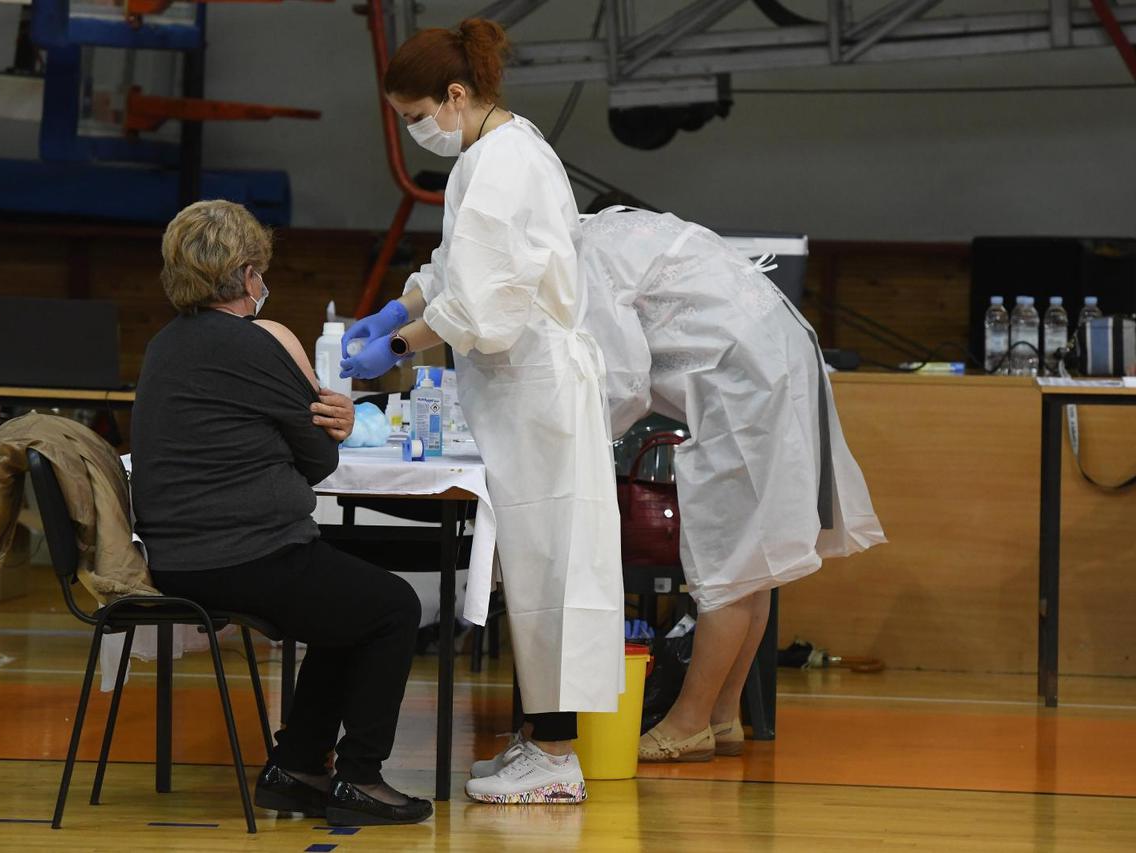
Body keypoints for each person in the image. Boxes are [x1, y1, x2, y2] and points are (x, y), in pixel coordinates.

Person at [340, 19, 624, 804]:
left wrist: (397, 347)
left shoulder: (503, 163)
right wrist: (397, 308)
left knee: (549, 573)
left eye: (413, 115)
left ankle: (557, 753)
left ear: (455, 95)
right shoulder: (493, 153)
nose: (412, 130)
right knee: (531, 575)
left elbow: (485, 306)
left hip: (537, 394)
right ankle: (539, 739)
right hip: (520, 395)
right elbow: (456, 270)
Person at [130, 200, 432, 826]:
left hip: (182, 555)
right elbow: (320, 459)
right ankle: (361, 777)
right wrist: (340, 423)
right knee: (392, 608)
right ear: (246, 275)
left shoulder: (166, 344)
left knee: (347, 608)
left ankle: (295, 766)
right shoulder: (253, 344)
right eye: (260, 271)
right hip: (242, 554)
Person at [576, 206, 886, 761]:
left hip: (746, 380)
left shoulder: (583, 256)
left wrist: (578, 442)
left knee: (726, 563)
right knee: (753, 564)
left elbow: (620, 386)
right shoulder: (609, 228)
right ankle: (722, 717)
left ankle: (687, 723)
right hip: (777, 355)